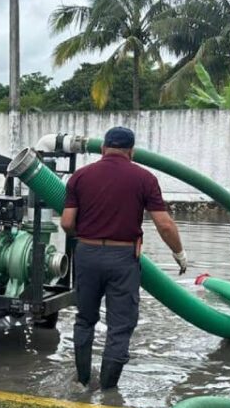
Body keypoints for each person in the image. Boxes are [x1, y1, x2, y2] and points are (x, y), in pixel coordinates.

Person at [61, 126, 188, 391]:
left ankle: (83, 381)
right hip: (122, 258)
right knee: (119, 326)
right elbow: (165, 225)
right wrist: (179, 253)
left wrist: (85, 238)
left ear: (103, 148)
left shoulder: (80, 176)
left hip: (86, 255)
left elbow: (66, 222)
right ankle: (109, 391)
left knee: (85, 319)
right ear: (131, 151)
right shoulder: (144, 178)